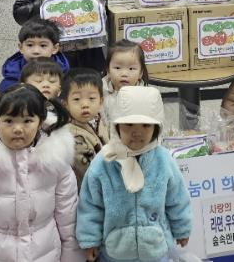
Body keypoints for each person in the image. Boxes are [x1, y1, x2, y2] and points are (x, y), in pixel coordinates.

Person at [0, 84, 83, 262]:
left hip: (46, 254)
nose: (18, 128)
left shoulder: (56, 163)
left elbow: (69, 220)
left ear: (40, 122)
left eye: (27, 121)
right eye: (9, 121)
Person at [76, 86, 191, 262]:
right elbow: (91, 204)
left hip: (156, 249)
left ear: (156, 128)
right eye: (129, 124)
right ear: (116, 126)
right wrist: (90, 239)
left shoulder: (163, 160)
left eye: (146, 125)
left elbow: (177, 198)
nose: (137, 132)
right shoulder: (104, 161)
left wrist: (182, 228)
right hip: (114, 251)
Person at [62, 68, 109, 189]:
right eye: (76, 99)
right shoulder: (71, 135)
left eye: (91, 98)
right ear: (65, 104)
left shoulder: (98, 120)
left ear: (101, 101)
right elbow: (86, 172)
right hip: (90, 189)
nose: (85, 104)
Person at [0, 18, 69, 93]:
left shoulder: (64, 76)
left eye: (43, 45)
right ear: (21, 47)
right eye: (30, 45)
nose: (36, 51)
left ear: (55, 48)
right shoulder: (11, 78)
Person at [102, 40, 148, 124]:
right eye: (117, 68)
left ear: (140, 73)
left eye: (131, 69)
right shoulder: (100, 92)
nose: (124, 74)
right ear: (108, 71)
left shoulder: (146, 96)